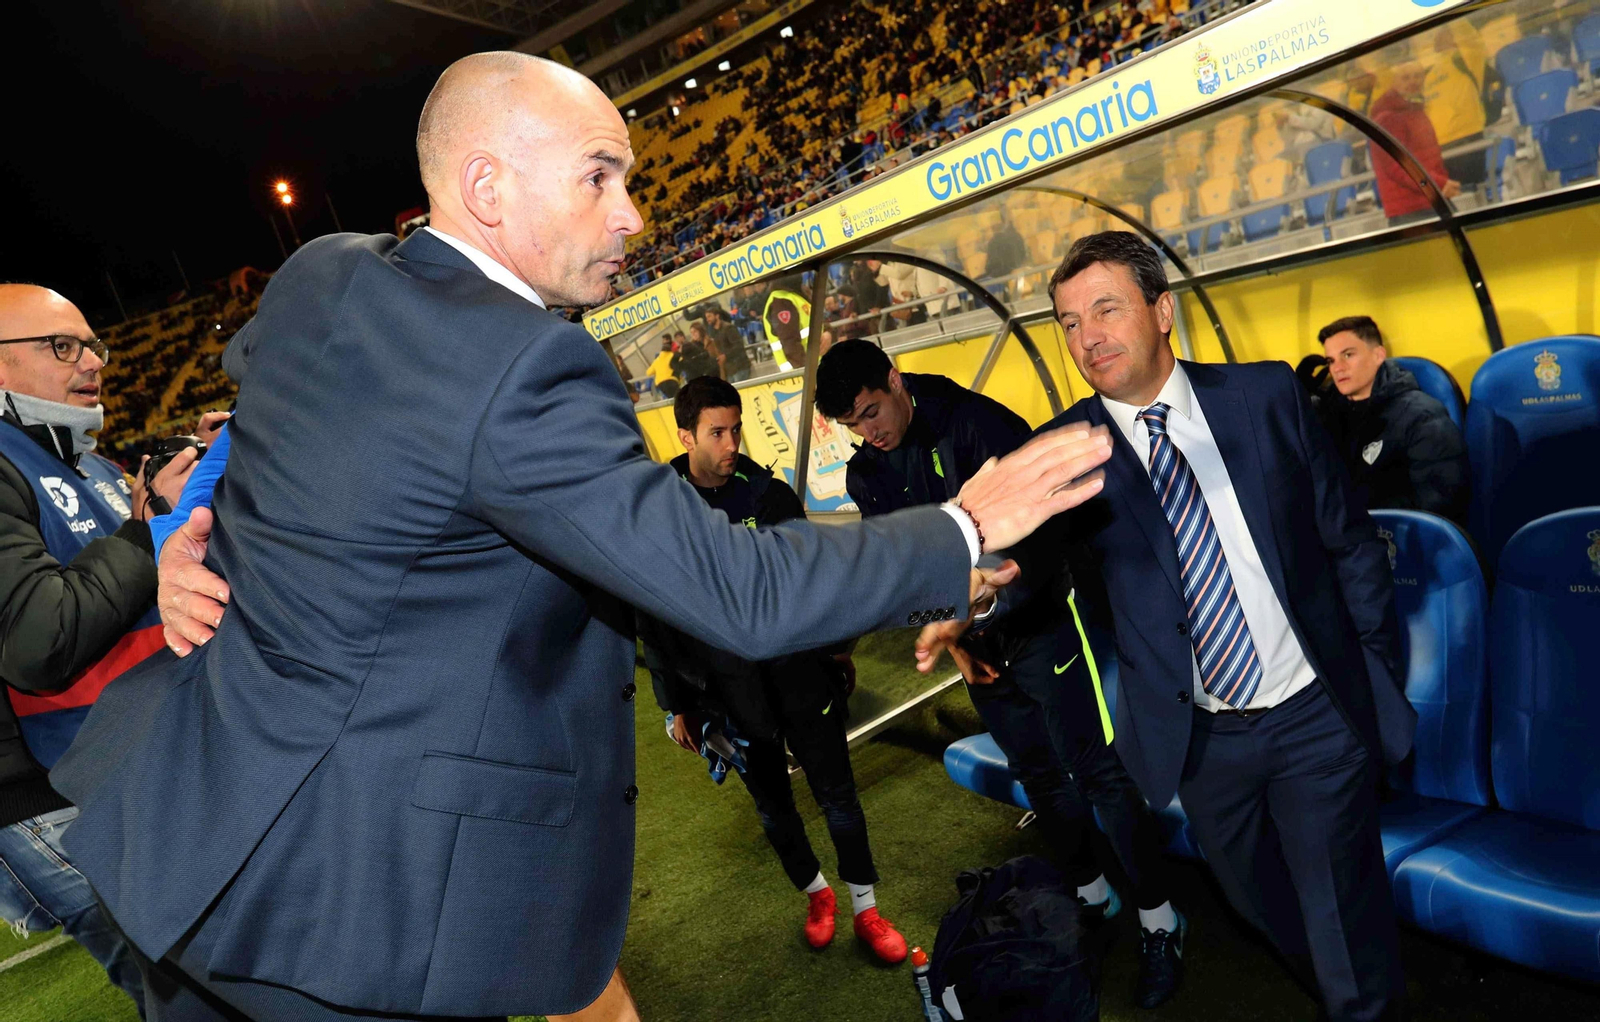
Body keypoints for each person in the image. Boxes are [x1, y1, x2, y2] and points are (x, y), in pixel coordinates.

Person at [52, 52, 1113, 1022]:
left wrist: (195, 522)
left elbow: (255, 417)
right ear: (487, 188)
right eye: (600, 176)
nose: (633, 215)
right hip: (346, 909)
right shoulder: (524, 368)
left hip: (190, 830)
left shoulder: (324, 271)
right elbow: (735, 587)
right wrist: (962, 525)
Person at [922, 232, 1417, 1022]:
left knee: (1337, 915)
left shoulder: (1265, 396)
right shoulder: (1067, 454)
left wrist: (1373, 674)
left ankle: (1360, 998)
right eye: (1069, 321)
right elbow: (1024, 573)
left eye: (1106, 309)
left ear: (1163, 312)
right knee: (1262, 908)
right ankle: (1343, 980)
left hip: (1313, 715)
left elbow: (1349, 542)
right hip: (1202, 743)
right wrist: (969, 605)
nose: (1087, 336)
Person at [814, 339, 1184, 1009]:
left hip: (1041, 616)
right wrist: (956, 640)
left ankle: (1161, 919)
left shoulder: (978, 425)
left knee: (1097, 771)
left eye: (872, 410)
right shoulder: (865, 474)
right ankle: (1091, 899)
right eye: (854, 424)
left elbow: (1050, 537)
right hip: (974, 642)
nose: (870, 432)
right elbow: (908, 570)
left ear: (895, 379)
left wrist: (983, 602)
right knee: (1039, 774)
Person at [637, 377, 907, 963]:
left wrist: (836, 651)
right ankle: (816, 894)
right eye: (716, 432)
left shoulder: (769, 495)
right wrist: (674, 703)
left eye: (736, 428)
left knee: (838, 794)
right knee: (773, 807)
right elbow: (653, 617)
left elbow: (812, 582)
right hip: (727, 694)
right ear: (684, 436)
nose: (731, 442)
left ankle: (866, 908)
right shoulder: (661, 511)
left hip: (798, 676)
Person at [0, 284, 211, 1017]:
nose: (93, 360)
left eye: (93, 343)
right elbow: (39, 638)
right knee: (193, 988)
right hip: (51, 789)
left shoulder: (78, 460)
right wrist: (145, 528)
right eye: (63, 345)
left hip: (120, 758)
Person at [1317, 316, 1469, 525]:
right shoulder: (1324, 416)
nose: (1337, 368)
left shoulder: (1420, 415)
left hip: (1401, 539)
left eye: (1348, 355)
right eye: (1330, 361)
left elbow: (1440, 499)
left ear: (1379, 355)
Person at [1371, 60, 1461, 226]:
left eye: (1417, 76)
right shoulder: (1388, 118)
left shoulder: (1413, 109)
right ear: (1392, 82)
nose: (1413, 82)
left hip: (1429, 199)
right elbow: (1398, 167)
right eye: (1405, 78)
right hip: (1412, 209)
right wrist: (1438, 184)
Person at [701, 306, 751, 382]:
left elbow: (739, 346)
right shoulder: (714, 332)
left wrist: (725, 356)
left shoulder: (728, 328)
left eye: (709, 316)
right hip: (729, 370)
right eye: (706, 317)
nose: (707, 319)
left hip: (740, 367)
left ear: (717, 316)